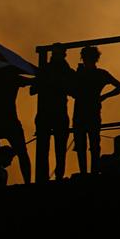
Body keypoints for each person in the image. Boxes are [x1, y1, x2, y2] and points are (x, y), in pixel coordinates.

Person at [73, 46, 120, 174]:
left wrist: (104, 96)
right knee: (93, 144)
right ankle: (93, 172)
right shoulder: (101, 74)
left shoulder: (83, 74)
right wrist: (103, 97)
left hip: (82, 113)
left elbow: (71, 91)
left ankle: (85, 172)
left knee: (83, 145)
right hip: (92, 112)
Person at [31, 44, 75, 182]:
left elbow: (33, 90)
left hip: (50, 113)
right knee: (55, 149)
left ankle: (52, 176)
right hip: (55, 113)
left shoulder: (48, 69)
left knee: (51, 148)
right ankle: (54, 176)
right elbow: (33, 90)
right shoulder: (61, 71)